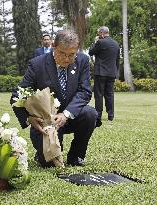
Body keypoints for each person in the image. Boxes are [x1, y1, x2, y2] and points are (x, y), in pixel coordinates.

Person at [11, 30, 97, 168]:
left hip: (70, 117)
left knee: (90, 114)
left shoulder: (82, 61)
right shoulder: (37, 64)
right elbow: (17, 95)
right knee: (49, 164)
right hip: (46, 123)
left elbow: (85, 91)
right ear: (53, 46)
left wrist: (66, 114)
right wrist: (29, 118)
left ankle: (76, 156)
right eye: (63, 53)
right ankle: (42, 154)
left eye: (72, 54)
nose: (67, 59)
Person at [89, 26, 120, 127]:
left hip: (100, 72)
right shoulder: (116, 44)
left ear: (102, 33)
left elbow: (90, 52)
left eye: (98, 33)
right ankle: (111, 115)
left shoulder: (100, 42)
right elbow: (117, 60)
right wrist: (116, 72)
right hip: (112, 73)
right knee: (110, 94)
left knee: (99, 94)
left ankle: (98, 115)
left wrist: (95, 41)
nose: (98, 35)